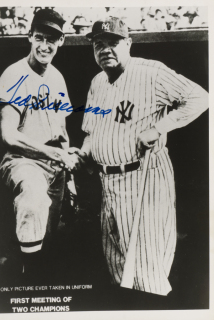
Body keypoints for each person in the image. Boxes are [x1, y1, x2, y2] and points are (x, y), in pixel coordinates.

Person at [70, 17, 208, 296]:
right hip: (108, 183)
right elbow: (91, 132)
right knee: (118, 267)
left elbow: (200, 97)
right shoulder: (97, 81)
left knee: (146, 269)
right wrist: (82, 153)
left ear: (129, 44)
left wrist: (158, 127)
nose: (105, 49)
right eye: (99, 44)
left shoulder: (151, 72)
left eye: (113, 43)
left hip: (144, 178)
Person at [0, 9, 82, 277]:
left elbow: (61, 131)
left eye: (51, 39)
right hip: (23, 161)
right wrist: (52, 153)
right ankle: (28, 278)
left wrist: (70, 174)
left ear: (61, 41)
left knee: (49, 237)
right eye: (39, 37)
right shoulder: (14, 74)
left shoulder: (56, 77)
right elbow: (8, 135)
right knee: (33, 200)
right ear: (30, 36)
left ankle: (35, 274)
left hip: (55, 164)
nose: (45, 45)